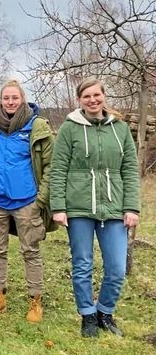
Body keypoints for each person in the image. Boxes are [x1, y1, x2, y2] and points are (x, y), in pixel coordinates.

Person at [50, 78, 140, 338]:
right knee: (82, 263)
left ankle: (105, 311)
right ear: (79, 100)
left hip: (114, 206)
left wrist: (131, 207)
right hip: (78, 207)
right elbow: (58, 170)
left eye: (96, 95)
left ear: (104, 97)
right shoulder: (70, 128)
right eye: (86, 96)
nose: (92, 100)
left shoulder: (120, 128)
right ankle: (87, 315)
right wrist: (59, 207)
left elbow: (130, 169)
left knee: (116, 267)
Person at [0, 81, 55, 323]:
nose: (10, 102)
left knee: (31, 251)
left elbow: (50, 166)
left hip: (27, 201)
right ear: (0, 100)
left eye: (14, 98)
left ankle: (35, 301)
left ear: (22, 99)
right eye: (6, 98)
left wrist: (40, 200)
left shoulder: (37, 126)